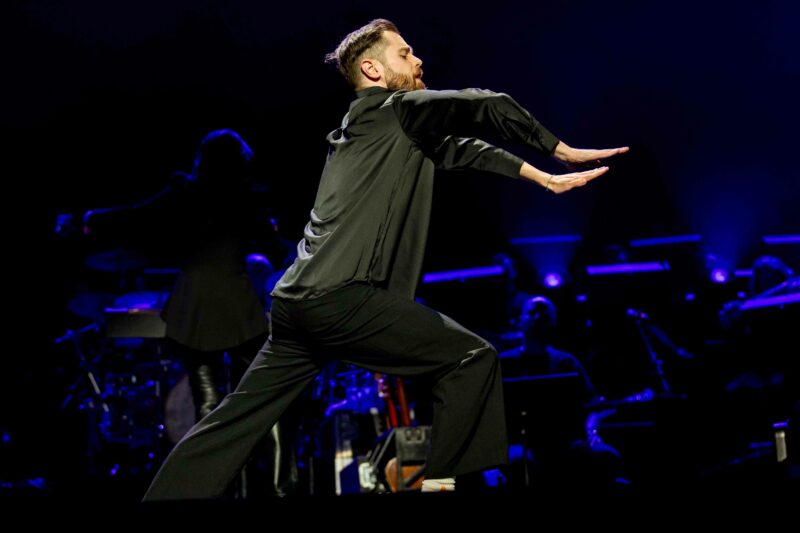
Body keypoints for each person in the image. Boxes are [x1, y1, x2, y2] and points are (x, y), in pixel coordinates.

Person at [143, 18, 628, 499]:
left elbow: (461, 149)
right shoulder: (395, 110)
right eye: (405, 53)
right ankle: (441, 488)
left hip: (295, 306)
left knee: (232, 422)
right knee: (472, 359)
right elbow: (487, 103)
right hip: (339, 298)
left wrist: (542, 179)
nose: (418, 61)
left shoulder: (368, 127)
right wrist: (559, 150)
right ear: (372, 70)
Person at [84, 129, 297, 496]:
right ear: (240, 162)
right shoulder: (245, 196)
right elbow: (277, 251)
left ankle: (212, 490)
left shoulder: (183, 191)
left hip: (193, 306)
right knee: (261, 400)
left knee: (208, 408)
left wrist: (91, 219)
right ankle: (280, 490)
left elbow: (137, 215)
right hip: (236, 304)